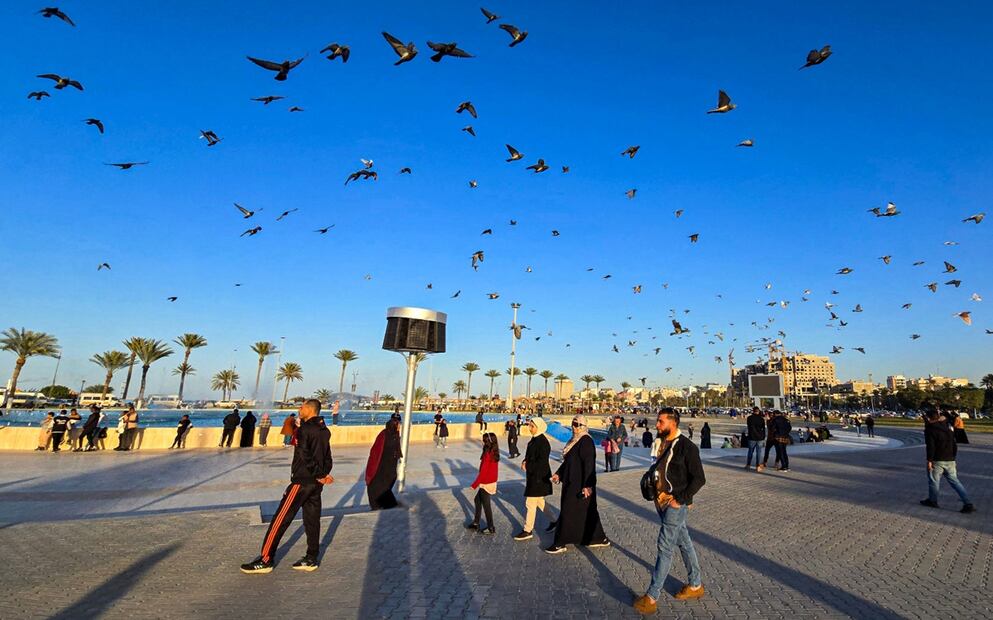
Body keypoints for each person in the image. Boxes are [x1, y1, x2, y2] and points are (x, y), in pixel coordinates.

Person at [241, 399, 334, 573]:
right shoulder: (324, 430)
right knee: (312, 520)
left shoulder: (304, 430)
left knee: (280, 519)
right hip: (315, 483)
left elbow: (305, 455)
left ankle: (266, 559)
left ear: (309, 409)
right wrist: (324, 474)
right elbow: (327, 455)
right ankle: (311, 557)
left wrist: (320, 474)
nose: (299, 409)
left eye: (302, 406)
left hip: (302, 482)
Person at [633, 408, 707, 613]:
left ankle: (651, 596)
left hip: (674, 505)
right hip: (660, 502)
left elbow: (699, 478)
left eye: (660, 421)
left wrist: (681, 500)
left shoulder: (687, 447)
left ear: (673, 423)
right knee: (684, 543)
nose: (657, 425)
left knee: (664, 547)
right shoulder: (660, 442)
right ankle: (695, 584)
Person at [546, 414, 609, 554]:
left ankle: (560, 542)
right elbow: (569, 462)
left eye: (578, 425)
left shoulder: (586, 441)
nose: (575, 428)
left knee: (568, 511)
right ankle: (598, 538)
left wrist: (588, 485)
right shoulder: (573, 441)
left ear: (584, 426)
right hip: (571, 481)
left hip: (580, 484)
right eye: (573, 424)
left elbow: (589, 465)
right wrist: (559, 474)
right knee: (589, 511)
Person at [920, 409, 975, 513]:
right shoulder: (948, 429)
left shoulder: (930, 430)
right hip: (950, 459)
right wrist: (953, 458)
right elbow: (954, 445)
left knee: (934, 481)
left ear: (928, 418)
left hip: (937, 460)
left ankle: (933, 500)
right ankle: (968, 503)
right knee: (955, 482)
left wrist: (929, 461)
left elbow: (930, 447)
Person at [515, 417, 554, 541]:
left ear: (539, 427)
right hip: (534, 477)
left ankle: (527, 530)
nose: (530, 428)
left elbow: (542, 462)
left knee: (530, 503)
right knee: (539, 502)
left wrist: (528, 465)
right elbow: (530, 457)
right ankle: (555, 521)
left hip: (539, 478)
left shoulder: (543, 442)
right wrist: (525, 461)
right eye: (530, 425)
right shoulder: (535, 440)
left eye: (532, 426)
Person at [466, 432, 500, 534]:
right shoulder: (493, 451)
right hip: (490, 480)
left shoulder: (488, 454)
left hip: (486, 482)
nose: (482, 442)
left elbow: (483, 472)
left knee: (486, 505)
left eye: (484, 440)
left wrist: (474, 484)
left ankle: (491, 527)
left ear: (487, 442)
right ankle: (476, 522)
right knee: (477, 500)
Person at [366, 418, 402, 510]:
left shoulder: (395, 434)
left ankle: (384, 503)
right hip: (381, 464)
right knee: (378, 485)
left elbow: (396, 448)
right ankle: (379, 505)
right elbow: (376, 450)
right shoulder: (384, 434)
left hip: (390, 464)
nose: (399, 427)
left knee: (389, 481)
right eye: (398, 425)